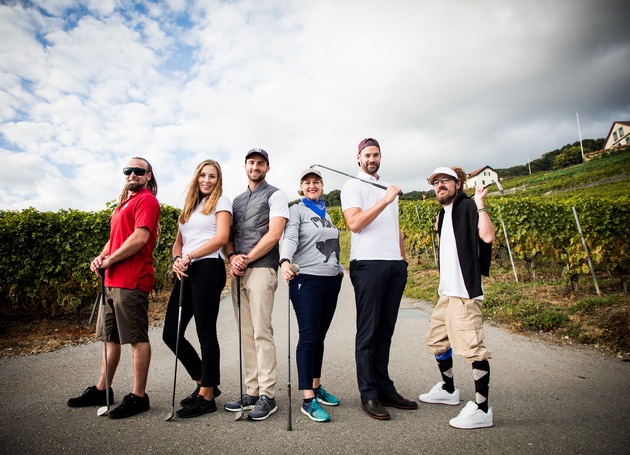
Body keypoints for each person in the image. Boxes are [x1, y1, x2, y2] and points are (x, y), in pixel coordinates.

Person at [68, 157, 160, 419]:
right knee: (110, 338)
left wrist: (110, 260)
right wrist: (101, 258)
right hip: (110, 281)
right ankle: (102, 389)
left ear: (148, 176)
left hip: (132, 281)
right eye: (128, 170)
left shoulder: (147, 200)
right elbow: (114, 239)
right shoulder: (123, 204)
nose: (132, 174)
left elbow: (140, 238)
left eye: (138, 171)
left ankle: (138, 397)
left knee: (136, 338)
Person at [340, 138, 417, 421]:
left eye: (376, 154)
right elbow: (355, 224)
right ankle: (368, 394)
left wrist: (403, 260)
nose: (372, 159)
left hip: (394, 265)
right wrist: (385, 200)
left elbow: (395, 228)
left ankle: (385, 389)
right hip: (368, 264)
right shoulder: (353, 186)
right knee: (368, 333)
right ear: (358, 158)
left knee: (385, 332)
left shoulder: (388, 186)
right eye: (367, 155)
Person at [418, 166, 496, 429]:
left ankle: (482, 408)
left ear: (458, 184)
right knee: (437, 341)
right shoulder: (443, 212)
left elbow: (487, 236)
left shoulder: (468, 207)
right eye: (436, 182)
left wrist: (481, 203)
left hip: (464, 292)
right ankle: (449, 389)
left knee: (472, 348)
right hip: (446, 292)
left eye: (445, 181)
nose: (439, 185)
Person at [222, 148, 289, 421]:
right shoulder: (236, 201)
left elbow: (274, 234)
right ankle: (251, 390)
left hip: (261, 269)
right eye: (251, 162)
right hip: (238, 272)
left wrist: (246, 258)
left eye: (260, 163)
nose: (255, 167)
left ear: (267, 168)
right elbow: (226, 235)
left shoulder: (276, 195)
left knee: (262, 332)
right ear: (245, 166)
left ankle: (267, 395)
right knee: (246, 334)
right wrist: (232, 257)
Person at [162, 159, 231, 418]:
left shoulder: (221, 202)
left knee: (205, 332)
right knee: (171, 333)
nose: (207, 180)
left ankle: (207, 395)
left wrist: (189, 256)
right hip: (186, 270)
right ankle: (204, 380)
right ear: (196, 177)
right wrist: (178, 259)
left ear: (218, 180)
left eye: (212, 176)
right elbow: (178, 242)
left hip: (208, 269)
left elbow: (221, 238)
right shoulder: (189, 207)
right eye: (203, 175)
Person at [279, 169, 344, 423]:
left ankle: (316, 386)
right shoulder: (297, 210)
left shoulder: (326, 213)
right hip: (306, 280)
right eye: (307, 182)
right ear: (301, 188)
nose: (312, 185)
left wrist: (338, 268)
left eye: (316, 182)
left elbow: (331, 244)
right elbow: (290, 236)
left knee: (320, 337)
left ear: (322, 186)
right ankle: (308, 399)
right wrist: (285, 260)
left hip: (330, 281)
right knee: (308, 337)